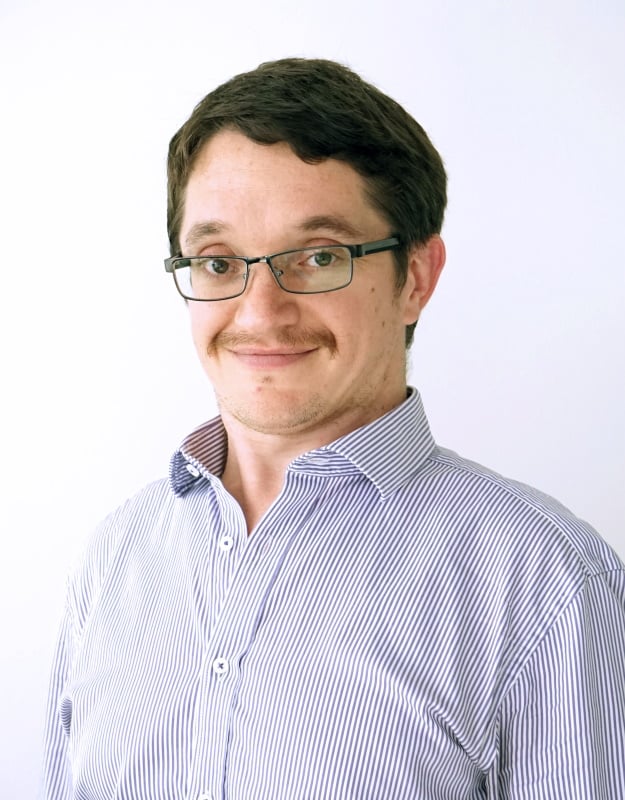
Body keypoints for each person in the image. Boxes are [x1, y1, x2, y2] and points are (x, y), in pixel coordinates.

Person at [42, 58, 625, 799]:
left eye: (318, 257)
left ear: (415, 277)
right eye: (218, 262)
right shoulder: (113, 561)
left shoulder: (545, 583)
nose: (258, 312)